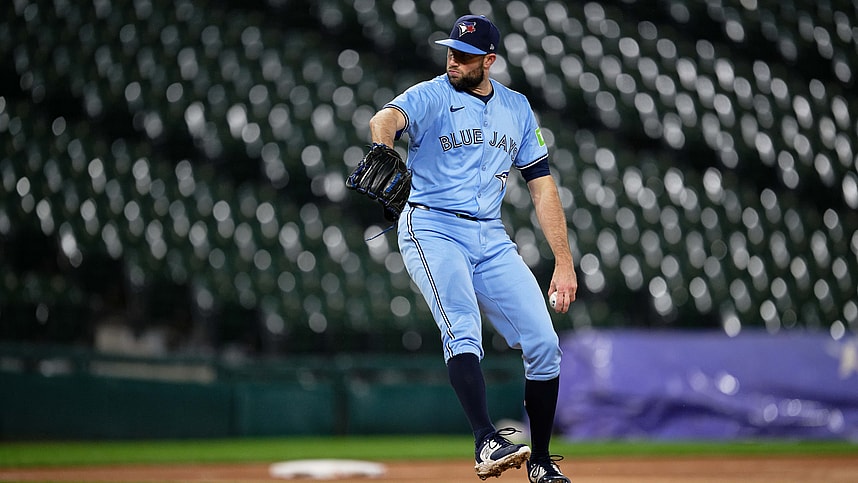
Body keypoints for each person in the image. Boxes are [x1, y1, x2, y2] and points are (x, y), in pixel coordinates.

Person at [367, 14, 578, 483]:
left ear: (489, 60)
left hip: (490, 236)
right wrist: (383, 148)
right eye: (450, 51)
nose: (453, 60)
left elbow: (542, 186)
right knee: (463, 328)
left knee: (545, 345)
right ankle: (486, 439)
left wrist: (564, 262)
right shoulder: (431, 94)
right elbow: (385, 118)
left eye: (464, 55)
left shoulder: (518, 109)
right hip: (431, 226)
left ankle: (541, 463)